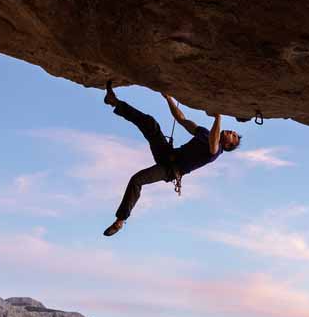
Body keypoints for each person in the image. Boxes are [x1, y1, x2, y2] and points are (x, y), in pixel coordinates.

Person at [101, 81, 241, 236]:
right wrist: (168, 98)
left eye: (233, 136)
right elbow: (181, 119)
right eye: (233, 132)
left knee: (137, 180)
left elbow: (213, 144)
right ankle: (114, 102)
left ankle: (120, 221)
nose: (231, 132)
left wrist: (218, 118)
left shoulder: (217, 151)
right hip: (167, 153)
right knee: (150, 124)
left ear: (227, 146)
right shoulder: (204, 133)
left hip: (169, 170)